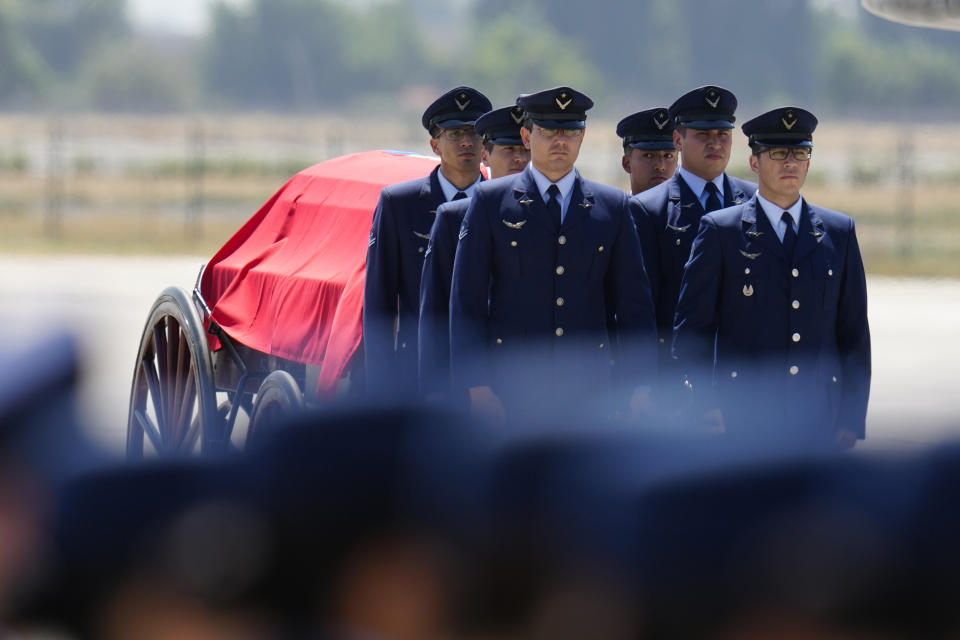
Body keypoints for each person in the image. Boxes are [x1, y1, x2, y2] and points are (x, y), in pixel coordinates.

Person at [450, 87, 657, 423]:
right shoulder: (491, 201)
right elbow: (466, 301)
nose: (560, 141)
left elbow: (633, 303)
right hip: (511, 387)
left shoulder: (612, 206)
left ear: (583, 136)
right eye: (547, 132)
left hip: (591, 390)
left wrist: (641, 383)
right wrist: (477, 388)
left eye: (571, 132)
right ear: (526, 136)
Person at [671, 107, 870, 451]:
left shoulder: (839, 232)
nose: (790, 163)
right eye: (778, 153)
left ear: (809, 162)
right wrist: (706, 404)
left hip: (819, 417)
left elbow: (853, 335)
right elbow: (692, 330)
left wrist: (851, 417)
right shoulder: (722, 231)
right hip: (742, 417)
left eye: (800, 153)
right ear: (754, 162)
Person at [630, 86, 757, 405]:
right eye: (702, 134)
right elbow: (641, 308)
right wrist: (644, 381)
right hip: (676, 377)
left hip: (745, 375)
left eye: (722, 134)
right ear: (678, 140)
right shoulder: (649, 209)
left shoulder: (757, 201)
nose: (715, 142)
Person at [364, 86, 492, 401]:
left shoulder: (506, 205)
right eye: (454, 134)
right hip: (419, 370)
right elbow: (379, 301)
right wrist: (381, 383)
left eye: (475, 133)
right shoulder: (400, 204)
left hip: (488, 370)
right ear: (434, 145)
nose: (466, 142)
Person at [418, 105, 530, 404]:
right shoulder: (454, 217)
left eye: (525, 150)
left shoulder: (555, 213)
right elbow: (437, 307)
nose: (519, 159)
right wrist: (436, 387)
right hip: (475, 379)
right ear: (486, 155)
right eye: (508, 149)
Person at [615, 107, 678, 195]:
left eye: (668, 156)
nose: (660, 166)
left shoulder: (694, 208)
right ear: (627, 163)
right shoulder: (614, 208)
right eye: (649, 155)